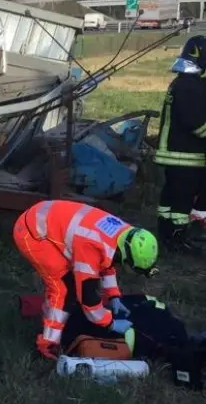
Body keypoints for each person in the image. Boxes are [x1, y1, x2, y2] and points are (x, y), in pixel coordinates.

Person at [13, 199, 159, 360]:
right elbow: (88, 298)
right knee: (64, 289)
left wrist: (114, 296)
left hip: (46, 217)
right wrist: (110, 323)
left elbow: (108, 262)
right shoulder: (91, 246)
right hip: (32, 233)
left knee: (70, 285)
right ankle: (47, 346)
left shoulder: (124, 234)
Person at [154, 34, 206, 253]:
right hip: (184, 155)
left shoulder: (183, 82)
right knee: (182, 200)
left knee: (171, 196)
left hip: (175, 154)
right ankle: (179, 238)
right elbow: (195, 122)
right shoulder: (190, 86)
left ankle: (166, 232)